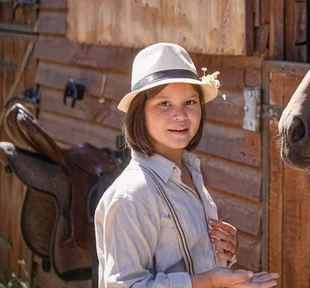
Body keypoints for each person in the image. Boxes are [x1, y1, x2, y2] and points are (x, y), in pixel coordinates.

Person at [94, 43, 279, 287]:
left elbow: (187, 260)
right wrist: (210, 280)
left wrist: (221, 253)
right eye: (164, 104)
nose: (180, 115)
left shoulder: (188, 173)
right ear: (139, 112)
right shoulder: (133, 195)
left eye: (190, 102)